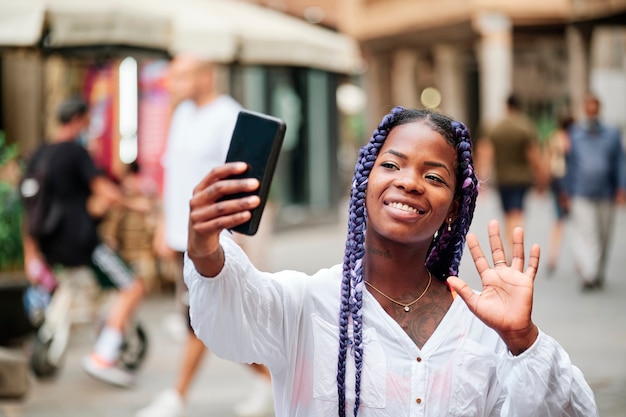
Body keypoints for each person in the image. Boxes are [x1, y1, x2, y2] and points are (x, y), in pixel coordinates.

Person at [183, 106, 598, 416]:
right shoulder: (305, 304)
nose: (409, 182)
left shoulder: (484, 327)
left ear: (454, 208)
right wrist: (204, 247)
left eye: (434, 176)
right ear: (366, 180)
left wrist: (523, 339)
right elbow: (229, 315)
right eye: (391, 165)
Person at [136, 53, 273, 417]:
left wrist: (236, 231)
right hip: (183, 234)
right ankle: (271, 380)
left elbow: (243, 177)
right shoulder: (181, 114)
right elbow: (175, 174)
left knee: (199, 319)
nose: (174, 85)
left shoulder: (228, 115)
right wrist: (165, 226)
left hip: (216, 234)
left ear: (206, 76)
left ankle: (176, 397)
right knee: (216, 319)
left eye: (182, 77)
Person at [21, 97, 148, 387]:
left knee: (94, 291)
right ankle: (102, 357)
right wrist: (136, 205)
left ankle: (104, 336)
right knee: (132, 287)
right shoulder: (76, 153)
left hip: (49, 247)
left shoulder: (39, 154)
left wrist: (31, 254)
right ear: (79, 119)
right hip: (81, 244)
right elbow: (106, 192)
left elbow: (31, 210)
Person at [561, 93, 626, 291]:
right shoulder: (575, 133)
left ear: (599, 109)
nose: (591, 111)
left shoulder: (612, 134)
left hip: (606, 192)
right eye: (588, 107)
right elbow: (569, 164)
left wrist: (621, 187)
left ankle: (597, 272)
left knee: (604, 235)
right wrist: (566, 189)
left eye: (594, 107)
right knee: (589, 233)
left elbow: (620, 162)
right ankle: (589, 274)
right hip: (581, 191)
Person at [479, 95, 548, 250]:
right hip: (521, 178)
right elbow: (533, 155)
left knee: (507, 214)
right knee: (517, 212)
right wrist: (542, 176)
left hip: (502, 178)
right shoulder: (526, 126)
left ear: (507, 106)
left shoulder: (496, 127)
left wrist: (482, 178)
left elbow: (486, 153)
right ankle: (514, 246)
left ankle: (509, 244)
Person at [544, 111, 574, 275]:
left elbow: (548, 160)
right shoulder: (573, 138)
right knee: (575, 220)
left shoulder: (554, 137)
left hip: (556, 179)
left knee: (557, 220)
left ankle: (552, 256)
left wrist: (545, 180)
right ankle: (580, 260)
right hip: (569, 180)